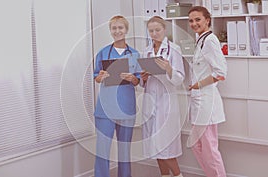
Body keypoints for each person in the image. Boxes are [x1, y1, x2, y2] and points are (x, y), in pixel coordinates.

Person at [93, 15, 140, 177]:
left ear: (126, 30)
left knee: (124, 150)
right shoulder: (103, 53)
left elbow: (137, 81)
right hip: (105, 108)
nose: (117, 31)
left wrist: (132, 78)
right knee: (102, 150)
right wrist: (101, 76)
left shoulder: (135, 54)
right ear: (110, 31)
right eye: (114, 28)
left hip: (126, 107)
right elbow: (96, 77)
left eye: (120, 28)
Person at [140, 16, 185, 177]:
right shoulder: (146, 51)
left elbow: (180, 79)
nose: (154, 33)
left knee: (166, 147)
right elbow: (143, 82)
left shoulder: (174, 50)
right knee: (155, 147)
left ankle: (178, 175)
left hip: (166, 103)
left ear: (164, 30)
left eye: (157, 30)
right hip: (150, 102)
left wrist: (169, 68)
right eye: (151, 31)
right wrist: (143, 79)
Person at [187, 6, 227, 177]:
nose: (194, 23)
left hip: (206, 102)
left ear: (207, 20)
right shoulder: (201, 40)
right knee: (196, 145)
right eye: (191, 20)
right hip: (198, 102)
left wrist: (198, 85)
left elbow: (221, 73)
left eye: (198, 19)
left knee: (209, 149)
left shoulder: (210, 40)